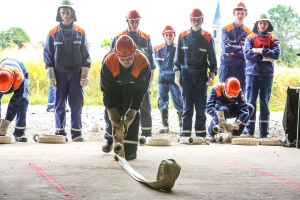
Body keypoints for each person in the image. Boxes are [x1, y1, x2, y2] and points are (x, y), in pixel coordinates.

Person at [43, 0, 91, 142]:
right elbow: (48, 55)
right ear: (59, 14)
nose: (66, 15)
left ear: (72, 13)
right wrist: (51, 76)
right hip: (59, 74)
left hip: (76, 74)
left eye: (68, 12)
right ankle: (60, 132)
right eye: (63, 13)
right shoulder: (52, 33)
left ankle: (76, 133)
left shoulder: (80, 32)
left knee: (76, 104)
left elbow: (86, 55)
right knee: (59, 104)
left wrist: (84, 76)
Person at [101, 35, 150, 160]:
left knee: (133, 115)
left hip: (134, 86)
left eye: (129, 58)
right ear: (117, 56)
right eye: (123, 59)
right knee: (111, 113)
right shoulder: (108, 62)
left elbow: (140, 92)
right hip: (114, 86)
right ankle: (110, 138)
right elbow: (107, 90)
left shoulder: (143, 63)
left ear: (134, 53)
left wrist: (133, 109)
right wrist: (112, 110)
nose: (126, 61)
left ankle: (130, 149)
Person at [110, 10, 155, 138]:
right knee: (121, 104)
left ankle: (147, 132)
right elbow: (112, 58)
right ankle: (118, 132)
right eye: (132, 21)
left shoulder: (146, 37)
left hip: (142, 77)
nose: (135, 24)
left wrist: (151, 78)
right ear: (127, 21)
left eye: (137, 22)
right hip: (123, 78)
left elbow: (151, 59)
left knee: (144, 104)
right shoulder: (119, 37)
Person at [174, 8, 217, 139]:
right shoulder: (182, 36)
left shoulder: (208, 37)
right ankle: (185, 132)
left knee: (200, 105)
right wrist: (177, 73)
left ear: (202, 21)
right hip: (186, 75)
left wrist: (212, 75)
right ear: (190, 21)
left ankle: (200, 132)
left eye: (198, 20)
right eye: (193, 20)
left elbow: (212, 57)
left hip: (201, 75)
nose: (196, 22)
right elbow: (178, 57)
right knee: (186, 105)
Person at [244, 13, 280, 138]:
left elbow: (276, 54)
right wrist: (266, 56)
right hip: (252, 74)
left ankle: (264, 133)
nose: (262, 25)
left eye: (265, 23)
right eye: (260, 22)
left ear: (268, 24)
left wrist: (259, 51)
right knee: (250, 102)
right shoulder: (250, 37)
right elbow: (247, 54)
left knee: (264, 102)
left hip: (267, 74)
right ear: (257, 24)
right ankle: (249, 131)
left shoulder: (273, 39)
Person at [154, 25, 183, 133]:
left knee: (179, 101)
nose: (169, 37)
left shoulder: (178, 48)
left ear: (174, 35)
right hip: (162, 78)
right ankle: (164, 125)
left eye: (171, 35)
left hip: (175, 78)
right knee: (162, 100)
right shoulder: (157, 48)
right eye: (167, 35)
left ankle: (182, 125)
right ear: (164, 36)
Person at [206, 77, 254, 141]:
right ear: (224, 89)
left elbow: (244, 108)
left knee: (250, 107)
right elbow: (208, 107)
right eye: (229, 95)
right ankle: (212, 132)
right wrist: (216, 113)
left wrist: (239, 121)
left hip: (231, 109)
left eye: (233, 96)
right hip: (220, 109)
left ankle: (235, 133)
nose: (231, 98)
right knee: (224, 110)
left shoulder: (239, 91)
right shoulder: (216, 89)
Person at [219, 2, 251, 92]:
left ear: (246, 14)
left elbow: (248, 52)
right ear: (234, 13)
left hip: (241, 66)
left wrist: (232, 51)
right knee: (223, 91)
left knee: (240, 92)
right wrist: (241, 48)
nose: (240, 16)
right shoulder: (226, 28)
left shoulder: (249, 33)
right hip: (226, 65)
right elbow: (226, 48)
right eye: (238, 13)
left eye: (242, 14)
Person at [0, 58, 29, 142]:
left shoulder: (19, 79)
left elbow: (15, 102)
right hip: (4, 67)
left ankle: (19, 133)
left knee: (22, 100)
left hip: (19, 71)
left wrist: (7, 121)